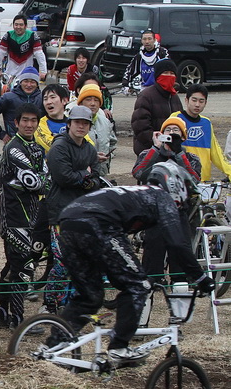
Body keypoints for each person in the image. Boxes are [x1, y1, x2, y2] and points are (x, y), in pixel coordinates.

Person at [55, 163, 213, 361]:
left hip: (68, 221)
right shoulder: (161, 197)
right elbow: (178, 243)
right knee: (138, 285)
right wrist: (199, 277)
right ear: (176, 185)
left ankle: (51, 348)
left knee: (90, 296)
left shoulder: (136, 191)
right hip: (99, 224)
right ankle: (119, 347)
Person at [44, 105, 101, 313]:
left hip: (82, 214)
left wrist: (84, 178)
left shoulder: (89, 149)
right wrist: (84, 176)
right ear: (69, 124)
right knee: (61, 261)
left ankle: (71, 303)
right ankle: (50, 303)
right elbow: (63, 177)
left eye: (85, 123)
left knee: (80, 261)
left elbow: (97, 178)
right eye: (77, 122)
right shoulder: (58, 147)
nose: (81, 126)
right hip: (60, 213)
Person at [0, 103, 48, 329]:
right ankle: (18, 320)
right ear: (15, 123)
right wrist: (41, 182)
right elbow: (35, 181)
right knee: (23, 267)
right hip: (13, 218)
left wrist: (40, 182)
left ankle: (1, 313)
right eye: (24, 120)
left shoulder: (37, 148)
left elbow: (44, 180)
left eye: (33, 120)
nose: (29, 124)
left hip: (32, 218)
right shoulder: (13, 147)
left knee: (13, 266)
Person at [132, 117, 201, 284]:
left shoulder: (189, 157)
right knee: (154, 247)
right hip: (154, 210)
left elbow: (194, 179)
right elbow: (139, 173)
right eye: (168, 130)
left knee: (180, 245)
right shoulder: (148, 153)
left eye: (175, 130)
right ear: (161, 134)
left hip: (179, 210)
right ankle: (153, 279)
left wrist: (178, 153)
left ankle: (179, 279)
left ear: (183, 136)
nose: (171, 133)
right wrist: (155, 148)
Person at [171, 84, 231, 182]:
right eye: (194, 100)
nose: (197, 104)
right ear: (186, 100)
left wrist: (229, 171)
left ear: (205, 103)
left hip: (203, 181)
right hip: (180, 179)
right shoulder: (176, 118)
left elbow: (216, 153)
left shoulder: (206, 123)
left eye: (201, 101)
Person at [131, 59, 182, 156]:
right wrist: (157, 143)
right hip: (150, 152)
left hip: (172, 152)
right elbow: (140, 126)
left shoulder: (175, 97)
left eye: (172, 73)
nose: (169, 76)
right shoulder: (146, 96)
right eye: (165, 73)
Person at [0, 66, 43, 141]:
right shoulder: (9, 97)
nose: (29, 85)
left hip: (38, 144)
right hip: (13, 142)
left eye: (32, 82)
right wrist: (1, 134)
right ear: (20, 82)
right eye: (26, 81)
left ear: (37, 84)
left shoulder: (43, 99)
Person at [0, 14, 47, 86]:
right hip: (10, 74)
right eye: (16, 25)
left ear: (25, 26)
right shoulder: (8, 35)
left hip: (26, 75)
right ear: (13, 25)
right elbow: (0, 52)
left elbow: (39, 54)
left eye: (21, 25)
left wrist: (43, 71)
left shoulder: (32, 36)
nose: (18, 27)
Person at [74, 84, 116, 177]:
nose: (93, 103)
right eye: (88, 100)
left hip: (102, 174)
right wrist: (92, 158)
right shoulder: (73, 123)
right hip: (80, 176)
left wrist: (108, 157)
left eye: (96, 100)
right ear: (80, 103)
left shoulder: (105, 122)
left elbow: (112, 142)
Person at [121, 30, 169, 94]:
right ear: (141, 41)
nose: (147, 42)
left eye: (149, 39)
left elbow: (169, 69)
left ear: (154, 40)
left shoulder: (162, 53)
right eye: (144, 39)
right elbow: (129, 71)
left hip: (160, 89)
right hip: (144, 90)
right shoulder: (139, 56)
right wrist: (125, 85)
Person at [33, 84, 70, 153]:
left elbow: (89, 142)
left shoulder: (72, 122)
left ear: (65, 100)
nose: (48, 102)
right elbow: (54, 147)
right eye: (45, 99)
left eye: (52, 97)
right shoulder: (39, 124)